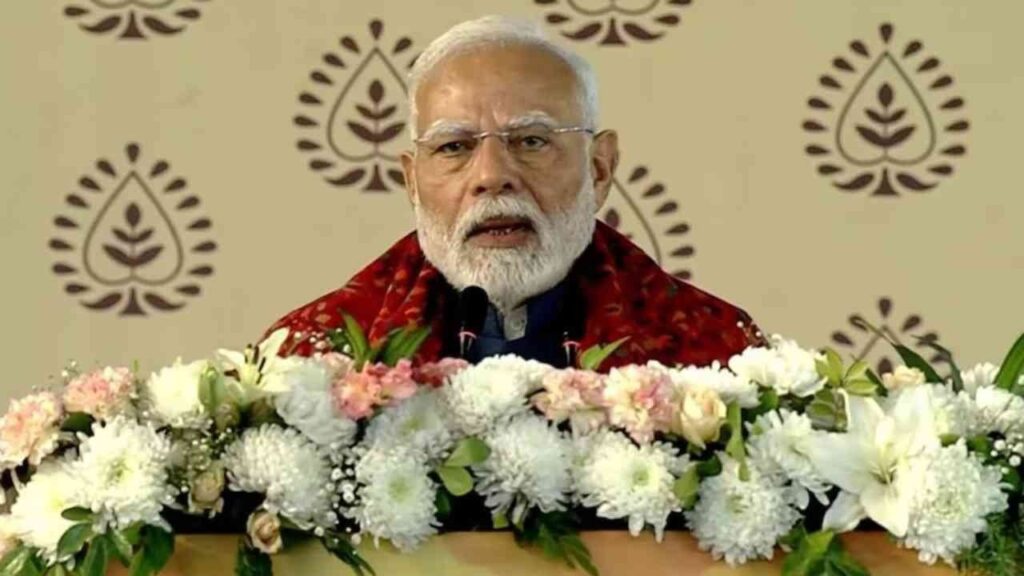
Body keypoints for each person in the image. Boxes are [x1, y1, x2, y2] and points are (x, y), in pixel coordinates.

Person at [265, 16, 762, 370]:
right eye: (454, 146)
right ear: (412, 182)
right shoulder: (307, 360)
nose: (492, 175)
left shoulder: (718, 357)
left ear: (599, 168)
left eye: (531, 141)